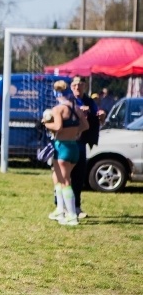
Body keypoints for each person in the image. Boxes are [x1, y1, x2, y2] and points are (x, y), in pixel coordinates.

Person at [44, 80, 89, 226]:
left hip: (62, 147)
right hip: (74, 147)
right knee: (57, 178)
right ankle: (59, 210)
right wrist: (76, 133)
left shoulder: (58, 109)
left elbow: (57, 126)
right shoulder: (76, 107)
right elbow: (85, 125)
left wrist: (45, 123)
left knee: (65, 181)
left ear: (56, 93)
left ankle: (71, 215)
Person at [69, 77, 99, 219]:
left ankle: (76, 207)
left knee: (79, 176)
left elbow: (95, 115)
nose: (77, 87)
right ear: (70, 87)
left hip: (81, 143)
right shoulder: (67, 100)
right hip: (67, 142)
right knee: (65, 176)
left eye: (79, 85)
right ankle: (61, 206)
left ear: (84, 86)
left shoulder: (89, 101)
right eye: (74, 85)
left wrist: (99, 114)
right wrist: (78, 111)